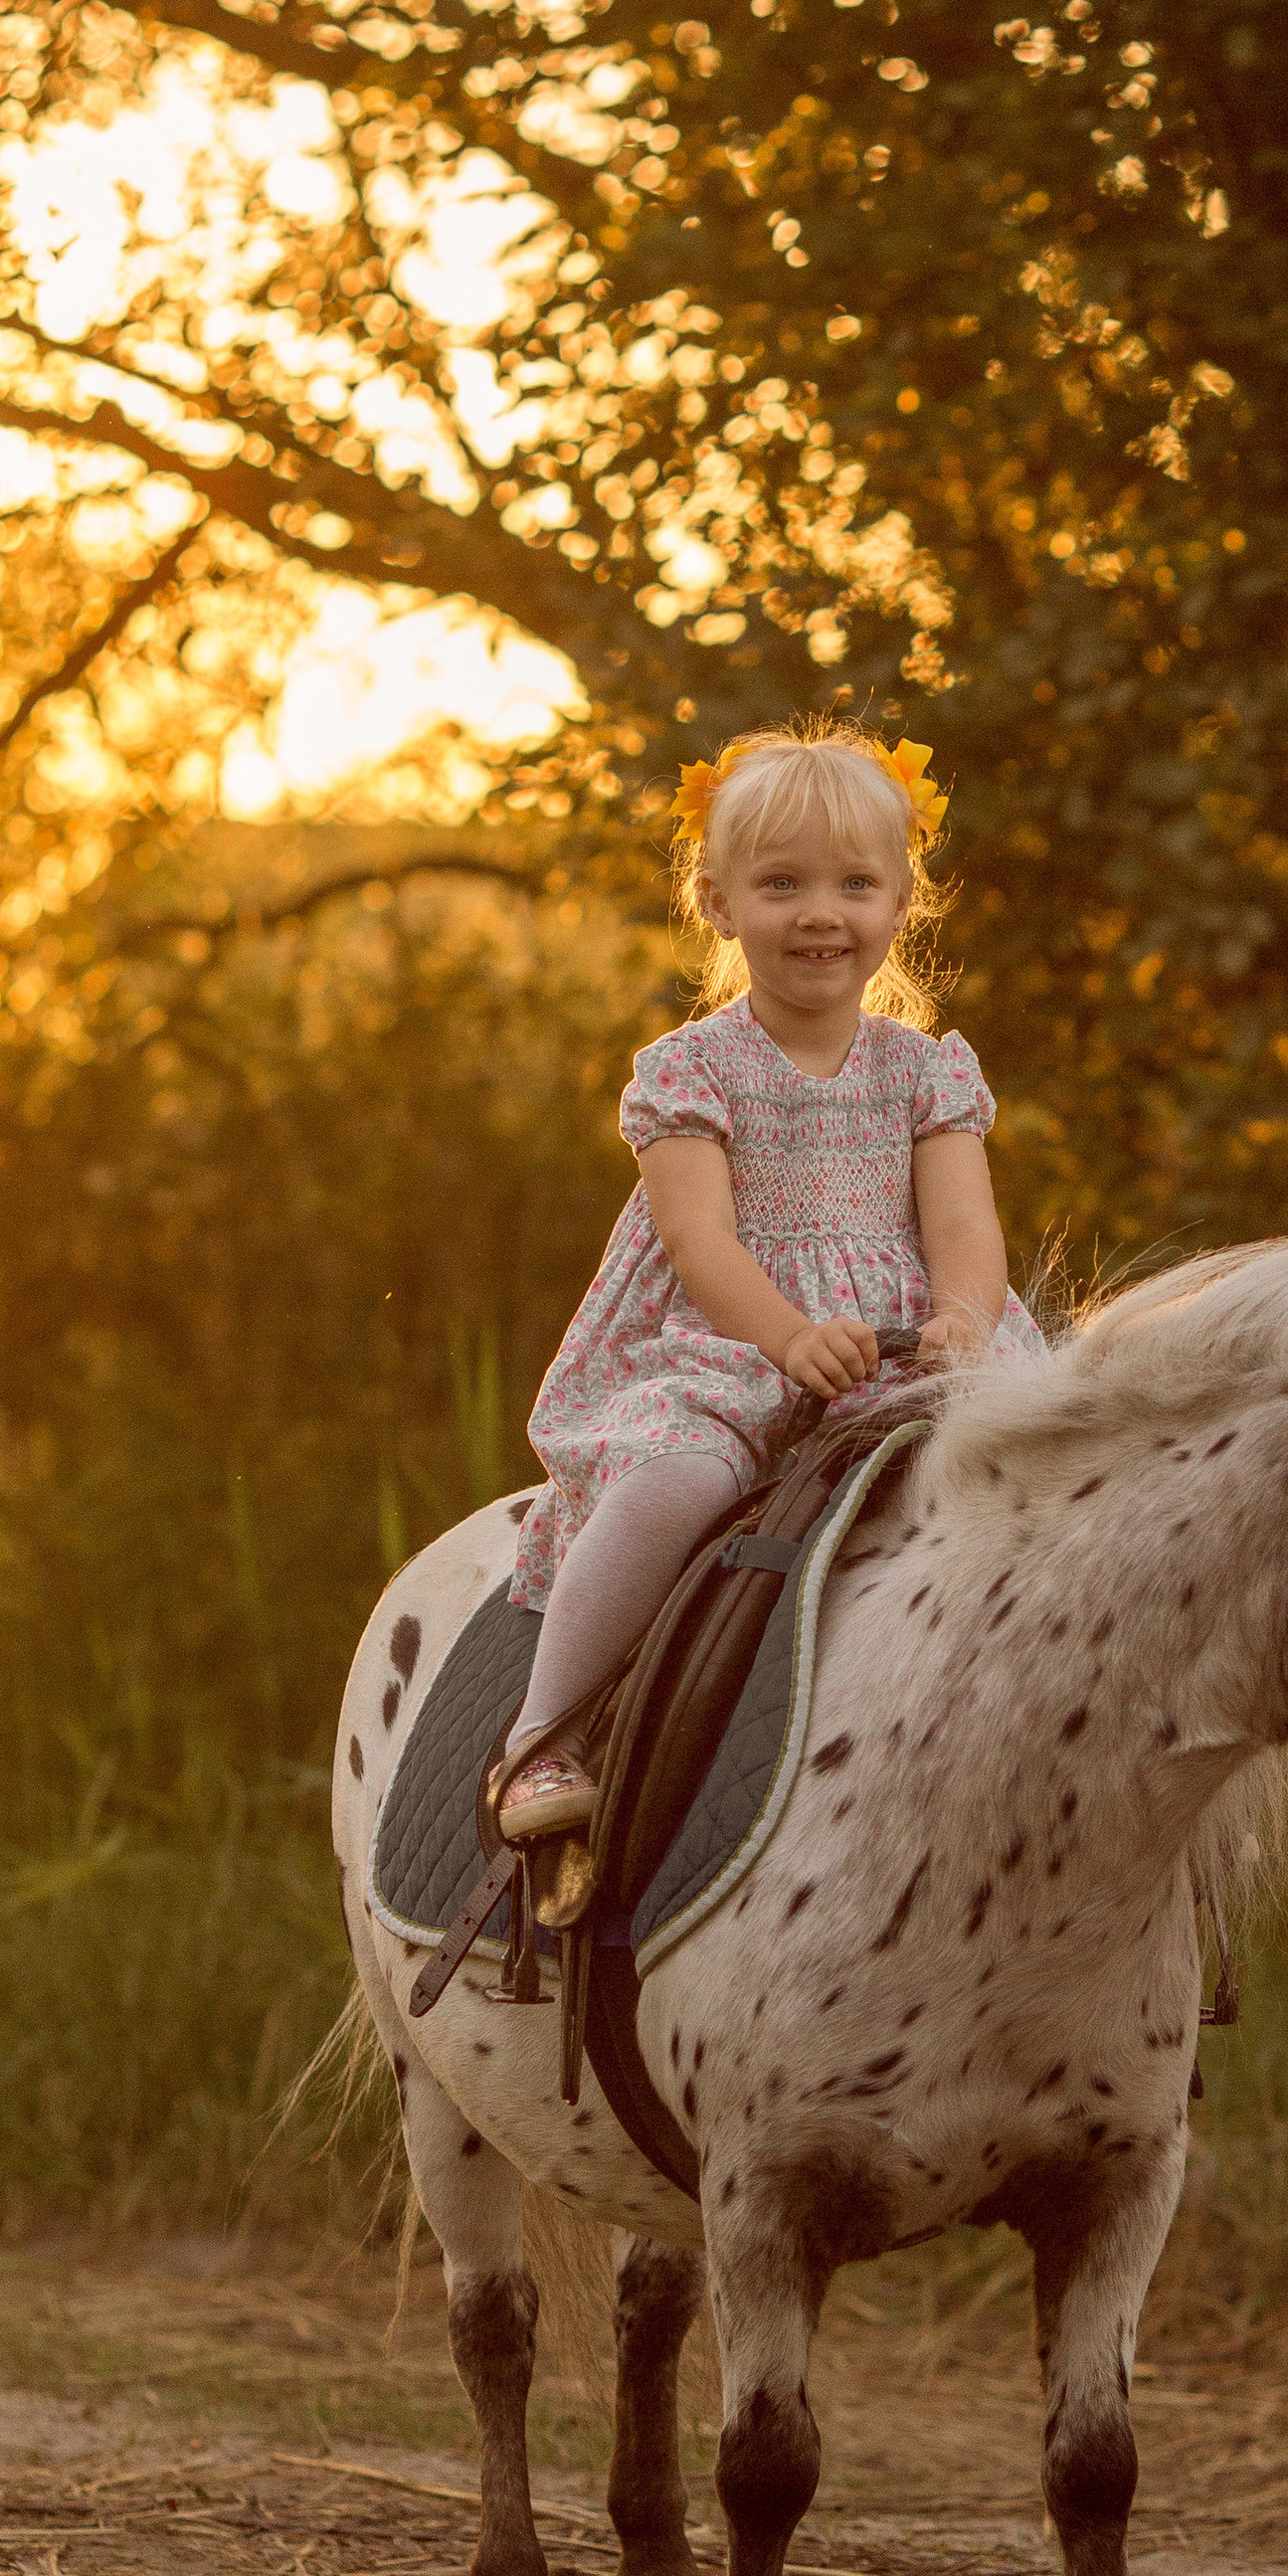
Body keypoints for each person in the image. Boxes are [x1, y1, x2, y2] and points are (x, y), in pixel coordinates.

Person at [494, 721, 1047, 1841]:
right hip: (730, 1345)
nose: (819, 914)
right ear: (717, 900)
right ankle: (538, 1740)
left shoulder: (924, 1070)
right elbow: (700, 1247)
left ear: (901, 902)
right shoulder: (693, 1070)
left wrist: (960, 1321)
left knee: (1054, 1477)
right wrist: (790, 1341)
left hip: (905, 1346)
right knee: (674, 1487)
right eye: (781, 883)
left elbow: (964, 1225)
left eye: (854, 883)